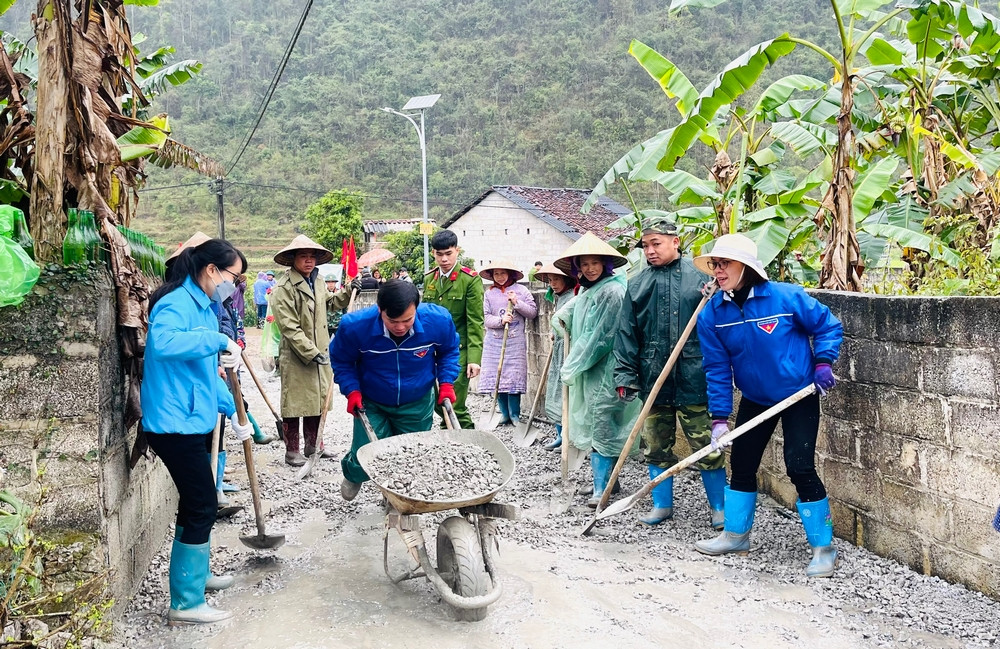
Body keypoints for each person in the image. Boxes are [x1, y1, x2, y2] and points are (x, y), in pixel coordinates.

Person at [692, 233, 843, 578]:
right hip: (756, 399)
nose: (718, 270)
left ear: (745, 267)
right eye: (715, 263)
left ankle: (824, 547)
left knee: (799, 465)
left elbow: (827, 325)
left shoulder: (785, 297)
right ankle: (736, 536)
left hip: (797, 395)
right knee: (742, 463)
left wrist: (823, 362)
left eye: (724, 263)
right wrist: (719, 418)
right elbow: (716, 368)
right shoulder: (713, 314)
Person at [142, 238, 254, 624]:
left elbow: (206, 373)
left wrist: (239, 417)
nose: (235, 286)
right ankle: (185, 603)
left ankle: (198, 575)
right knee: (203, 503)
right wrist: (219, 339)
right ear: (211, 270)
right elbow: (164, 342)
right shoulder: (175, 304)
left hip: (192, 418)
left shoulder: (205, 306)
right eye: (234, 277)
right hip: (173, 423)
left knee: (196, 503)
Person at [613, 219, 726, 528]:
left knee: (706, 445)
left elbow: (722, 326)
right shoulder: (636, 284)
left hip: (694, 375)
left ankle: (720, 508)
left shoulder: (703, 280)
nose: (650, 251)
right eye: (645, 246)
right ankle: (662, 505)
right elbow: (626, 335)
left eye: (656, 244)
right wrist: (625, 376)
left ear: (675, 242)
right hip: (653, 378)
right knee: (655, 446)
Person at [331, 280, 461, 500]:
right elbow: (342, 361)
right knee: (365, 454)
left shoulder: (437, 321)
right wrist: (351, 391)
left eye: (407, 320)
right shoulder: (354, 327)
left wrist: (446, 383)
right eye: (392, 321)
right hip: (372, 400)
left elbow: (449, 352)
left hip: (416, 401)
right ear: (380, 310)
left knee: (410, 456)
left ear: (416, 309)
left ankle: (396, 496)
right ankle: (354, 474)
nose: (400, 327)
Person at [554, 232, 641, 508]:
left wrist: (571, 365)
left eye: (595, 263)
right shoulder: (592, 289)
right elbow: (570, 313)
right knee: (599, 425)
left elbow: (600, 339)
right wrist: (563, 320)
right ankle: (607, 482)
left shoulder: (613, 291)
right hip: (594, 371)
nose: (590, 269)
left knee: (602, 425)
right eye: (584, 264)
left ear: (606, 264)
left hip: (608, 370)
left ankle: (602, 488)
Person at [270, 235, 356, 467]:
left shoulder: (317, 282)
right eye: (303, 256)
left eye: (312, 257)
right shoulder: (283, 288)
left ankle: (314, 444)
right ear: (292, 260)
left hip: (320, 349)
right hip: (297, 355)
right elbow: (289, 328)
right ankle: (292, 450)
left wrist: (348, 291)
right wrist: (310, 351)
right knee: (295, 402)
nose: (308, 261)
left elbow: (330, 303)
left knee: (317, 399)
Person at [422, 230, 484, 429]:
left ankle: (467, 441)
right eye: (439, 254)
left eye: (448, 253)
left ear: (457, 251)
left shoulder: (470, 280)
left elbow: (475, 321)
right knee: (435, 400)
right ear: (433, 253)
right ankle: (450, 433)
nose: (444, 259)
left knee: (453, 402)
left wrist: (474, 358)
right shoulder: (429, 279)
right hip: (432, 351)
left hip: (459, 350)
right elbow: (424, 316)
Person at [478, 260, 537, 425]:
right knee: (498, 377)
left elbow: (532, 312)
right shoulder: (489, 294)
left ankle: (515, 414)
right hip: (494, 342)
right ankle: (504, 414)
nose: (500, 277)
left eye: (503, 273)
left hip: (515, 342)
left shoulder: (522, 290)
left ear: (510, 274)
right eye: (496, 274)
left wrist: (517, 302)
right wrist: (501, 320)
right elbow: (486, 318)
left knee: (513, 377)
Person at [533, 262, 577, 451]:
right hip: (559, 348)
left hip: (569, 349)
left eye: (557, 279)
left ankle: (569, 438)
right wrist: (554, 332)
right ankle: (560, 435)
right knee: (556, 392)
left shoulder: (573, 297)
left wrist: (561, 331)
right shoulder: (560, 298)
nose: (553, 283)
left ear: (567, 279)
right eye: (550, 280)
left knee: (566, 394)